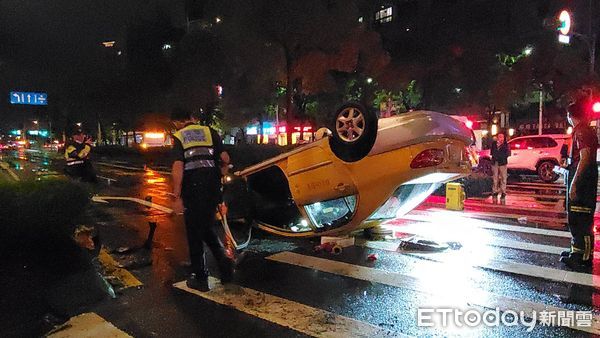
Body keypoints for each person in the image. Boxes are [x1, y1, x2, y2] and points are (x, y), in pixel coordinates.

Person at [170, 108, 235, 291]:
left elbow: (178, 167)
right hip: (212, 189)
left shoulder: (180, 136)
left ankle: (200, 277)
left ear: (177, 122)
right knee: (205, 227)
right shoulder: (209, 132)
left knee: (194, 233)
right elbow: (225, 158)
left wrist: (176, 195)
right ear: (193, 118)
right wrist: (219, 176)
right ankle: (225, 266)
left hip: (193, 190)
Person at [560, 99, 598, 270]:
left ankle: (585, 257)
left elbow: (585, 157)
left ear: (570, 115)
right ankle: (576, 252)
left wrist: (574, 183)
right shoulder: (580, 131)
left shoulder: (583, 131)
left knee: (582, 221)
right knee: (575, 219)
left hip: (583, 184)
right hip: (578, 179)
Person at [490, 131, 510, 204]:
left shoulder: (506, 145)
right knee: (495, 178)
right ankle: (495, 191)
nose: (500, 138)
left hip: (502, 163)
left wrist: (500, 156)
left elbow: (507, 154)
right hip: (495, 163)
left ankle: (503, 192)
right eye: (499, 137)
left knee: (503, 178)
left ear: (504, 138)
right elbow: (492, 153)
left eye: (502, 137)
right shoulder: (494, 144)